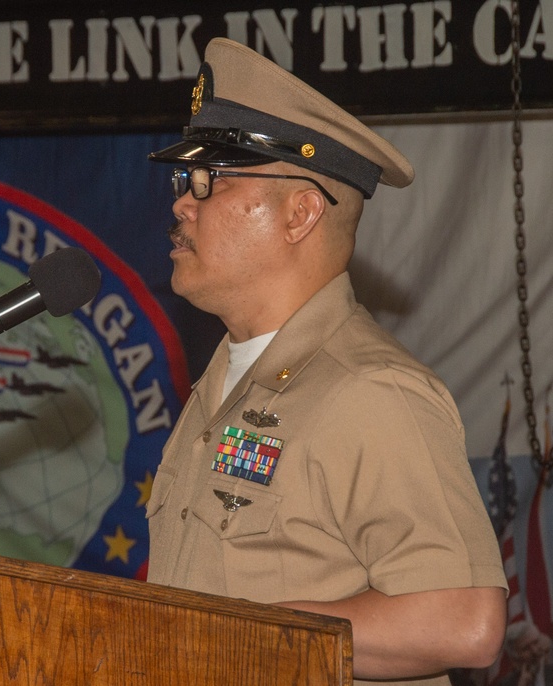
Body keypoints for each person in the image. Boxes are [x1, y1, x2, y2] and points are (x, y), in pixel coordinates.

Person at [144, 37, 508, 685]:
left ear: (301, 213)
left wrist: (237, 634)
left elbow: (462, 620)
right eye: (184, 179)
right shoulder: (223, 383)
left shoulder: (371, 390)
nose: (182, 202)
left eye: (211, 179)